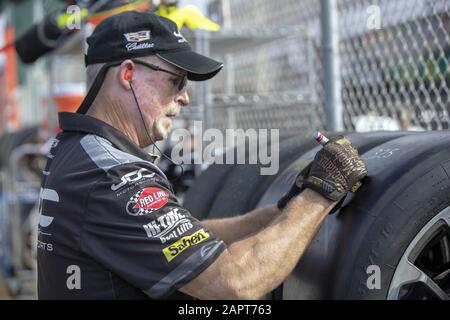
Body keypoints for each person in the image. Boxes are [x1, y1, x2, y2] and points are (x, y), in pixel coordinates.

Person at [37, 10, 367, 300]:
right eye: (175, 81)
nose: (184, 97)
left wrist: (284, 210)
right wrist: (320, 194)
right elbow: (236, 282)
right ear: (127, 75)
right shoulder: (114, 176)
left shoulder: (75, 148)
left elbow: (179, 241)